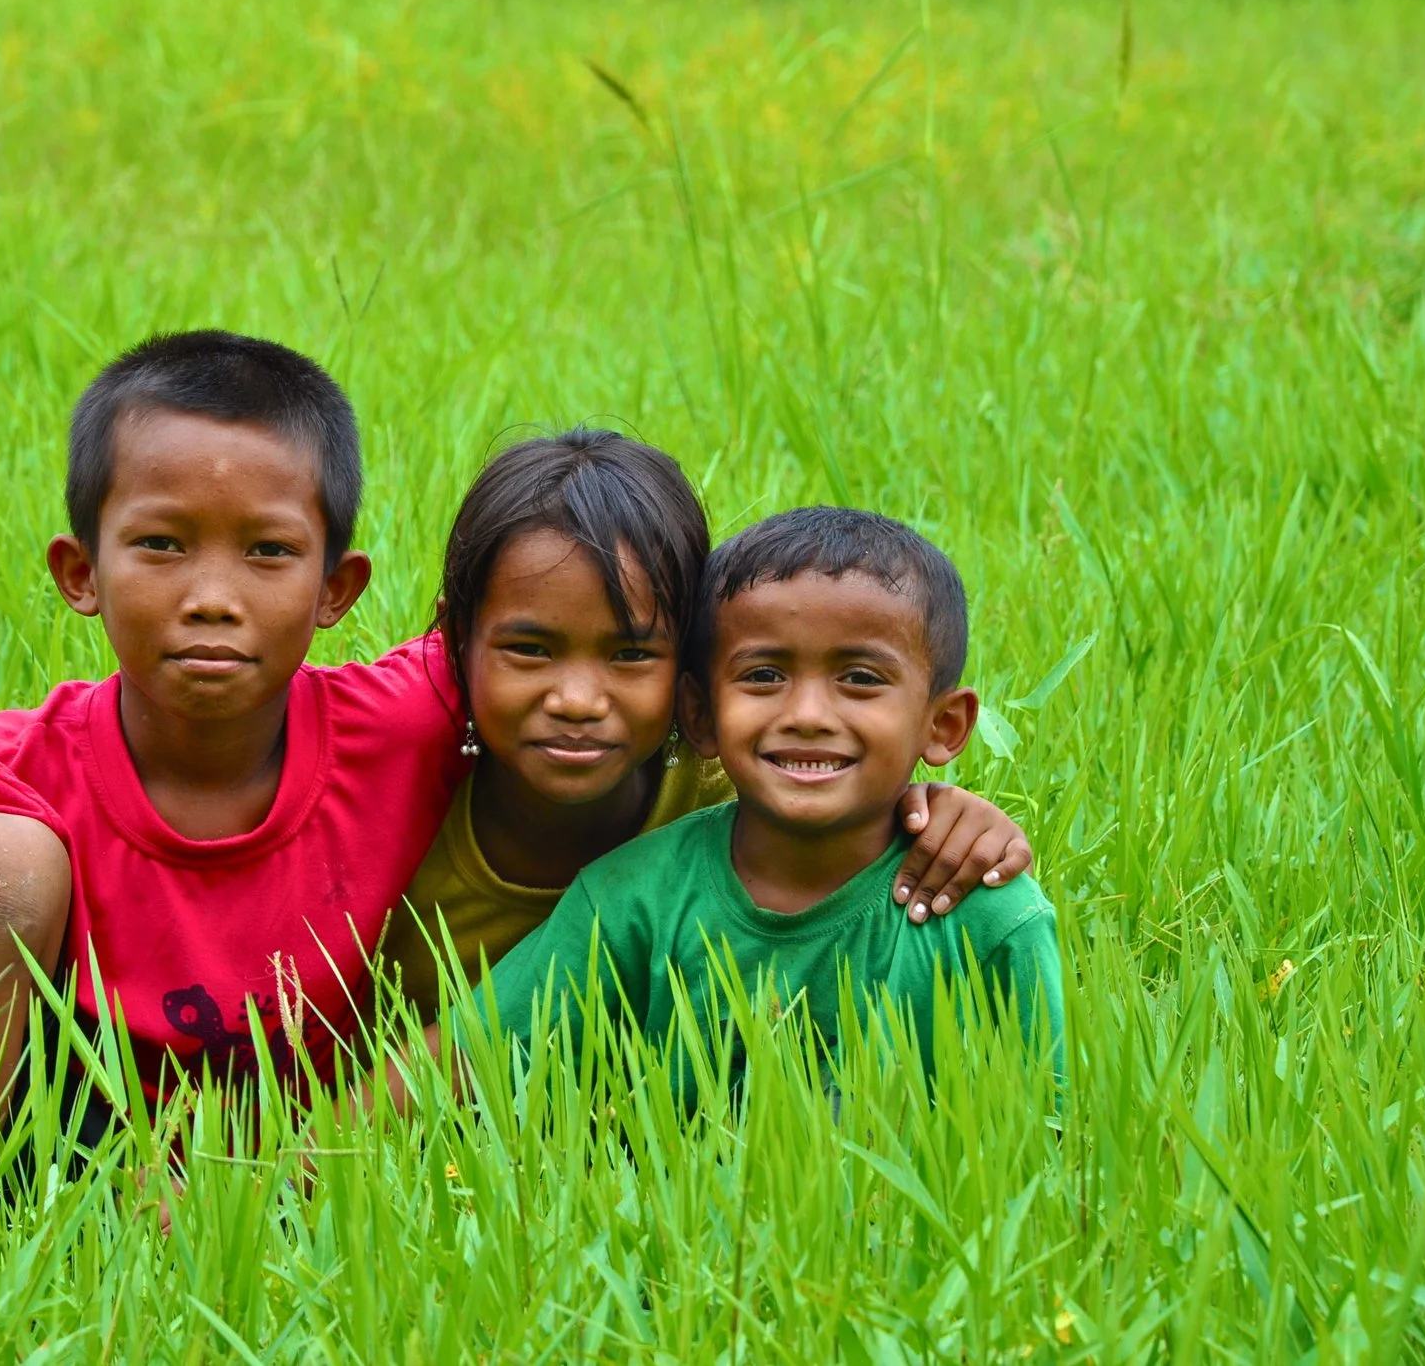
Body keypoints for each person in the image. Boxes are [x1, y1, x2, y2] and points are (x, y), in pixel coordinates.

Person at [0, 330, 466, 1169]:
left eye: (269, 552)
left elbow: (573, 641)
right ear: (81, 573)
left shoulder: (408, 724)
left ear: (336, 587)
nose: (212, 598)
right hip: (38, 1163)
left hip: (289, 1189)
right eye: (162, 545)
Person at [379, 432, 1036, 1020]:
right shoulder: (388, 780)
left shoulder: (740, 789)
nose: (577, 699)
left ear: (692, 678)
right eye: (530, 649)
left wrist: (948, 819)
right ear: (456, 639)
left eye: (632, 653)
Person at [455, 505, 1065, 1085]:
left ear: (946, 725)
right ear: (700, 716)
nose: (806, 714)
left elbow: (1045, 1139)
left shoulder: (989, 918)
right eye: (764, 675)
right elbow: (465, 1061)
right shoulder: (628, 901)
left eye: (860, 678)